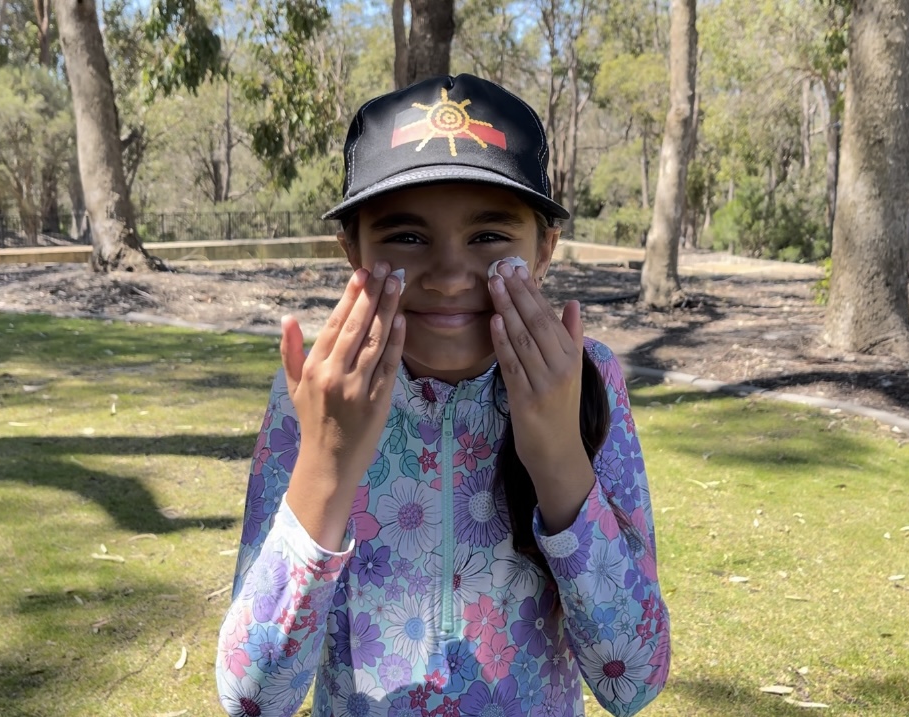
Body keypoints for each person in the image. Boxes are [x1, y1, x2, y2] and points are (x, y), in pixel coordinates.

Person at [216, 74, 670, 717]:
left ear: (543, 250)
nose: (452, 276)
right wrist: (328, 462)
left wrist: (558, 456)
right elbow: (253, 699)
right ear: (354, 250)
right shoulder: (317, 391)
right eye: (407, 237)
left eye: (489, 237)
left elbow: (636, 681)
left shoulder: (588, 379)